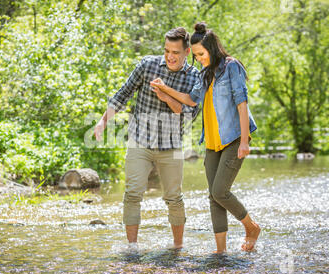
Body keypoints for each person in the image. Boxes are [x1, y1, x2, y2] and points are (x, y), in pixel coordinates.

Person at [150, 22, 260, 253]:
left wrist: (243, 140)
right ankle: (220, 251)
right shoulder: (204, 73)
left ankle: (251, 227)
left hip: (232, 138)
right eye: (196, 55)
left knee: (220, 191)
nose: (198, 58)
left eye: (201, 53)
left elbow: (242, 103)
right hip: (211, 142)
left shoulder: (232, 67)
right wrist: (165, 89)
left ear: (211, 48)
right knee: (213, 196)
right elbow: (191, 99)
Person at [94, 27, 200, 249]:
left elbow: (190, 113)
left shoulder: (194, 77)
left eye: (176, 53)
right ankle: (132, 247)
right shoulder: (147, 65)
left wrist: (165, 92)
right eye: (167, 51)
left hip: (171, 145)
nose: (170, 56)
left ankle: (177, 247)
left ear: (187, 52)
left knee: (174, 198)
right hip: (139, 140)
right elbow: (123, 93)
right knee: (132, 194)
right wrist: (104, 120)